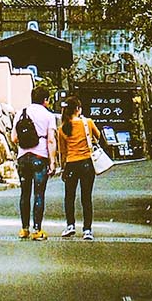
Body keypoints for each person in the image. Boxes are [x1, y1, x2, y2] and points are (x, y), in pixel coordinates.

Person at [55, 96, 105, 240]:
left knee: (69, 197)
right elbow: (98, 136)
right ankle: (87, 230)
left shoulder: (62, 128)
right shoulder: (87, 122)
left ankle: (70, 225)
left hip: (71, 164)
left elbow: (62, 151)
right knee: (86, 197)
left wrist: (63, 168)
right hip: (87, 164)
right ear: (78, 109)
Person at [15, 85, 57, 240]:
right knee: (39, 193)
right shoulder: (48, 115)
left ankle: (24, 229)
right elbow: (51, 140)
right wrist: (52, 162)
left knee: (24, 193)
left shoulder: (21, 113)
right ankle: (37, 230)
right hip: (40, 157)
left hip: (23, 157)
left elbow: (14, 138)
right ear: (45, 100)